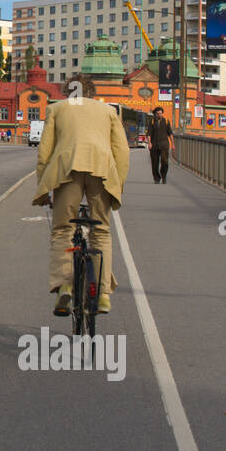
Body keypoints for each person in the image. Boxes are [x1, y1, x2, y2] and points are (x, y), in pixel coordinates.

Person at [32, 87, 129, 317]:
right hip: (102, 170)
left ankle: (65, 285)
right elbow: (122, 152)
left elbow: (44, 153)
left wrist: (44, 189)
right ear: (92, 93)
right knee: (101, 232)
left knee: (63, 229)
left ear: (69, 92)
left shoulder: (56, 109)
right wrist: (117, 186)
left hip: (68, 170)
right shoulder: (108, 111)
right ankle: (103, 295)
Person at [148, 105, 174, 184]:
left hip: (164, 145)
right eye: (158, 113)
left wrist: (173, 144)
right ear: (155, 114)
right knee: (154, 163)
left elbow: (170, 133)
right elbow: (149, 133)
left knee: (165, 162)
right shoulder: (152, 122)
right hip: (154, 145)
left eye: (161, 113)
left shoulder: (166, 121)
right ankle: (156, 178)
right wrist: (149, 143)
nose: (159, 115)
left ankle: (164, 176)